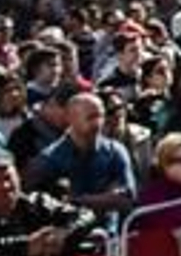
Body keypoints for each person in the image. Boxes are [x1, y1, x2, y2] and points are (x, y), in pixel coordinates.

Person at [26, 92, 136, 221]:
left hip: (109, 234)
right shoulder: (50, 159)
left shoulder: (115, 151)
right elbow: (42, 206)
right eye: (91, 117)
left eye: (100, 116)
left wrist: (78, 200)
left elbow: (127, 199)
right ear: (71, 118)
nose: (98, 123)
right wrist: (105, 198)